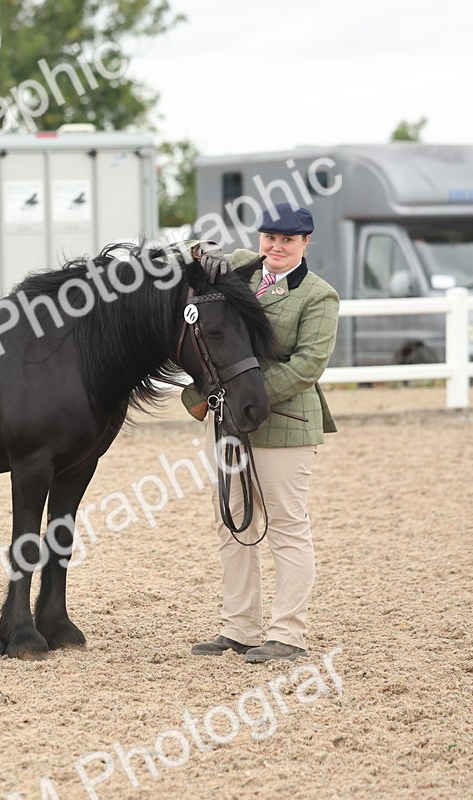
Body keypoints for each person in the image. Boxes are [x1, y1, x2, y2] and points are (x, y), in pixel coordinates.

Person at [183, 202, 340, 663]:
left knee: (287, 528)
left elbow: (307, 366)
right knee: (232, 523)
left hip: (285, 424)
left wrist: (237, 397)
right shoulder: (239, 270)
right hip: (230, 425)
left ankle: (288, 633)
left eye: (287, 240)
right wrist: (200, 250)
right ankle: (239, 627)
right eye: (269, 238)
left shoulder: (318, 296)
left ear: (305, 244)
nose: (276, 247)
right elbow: (180, 259)